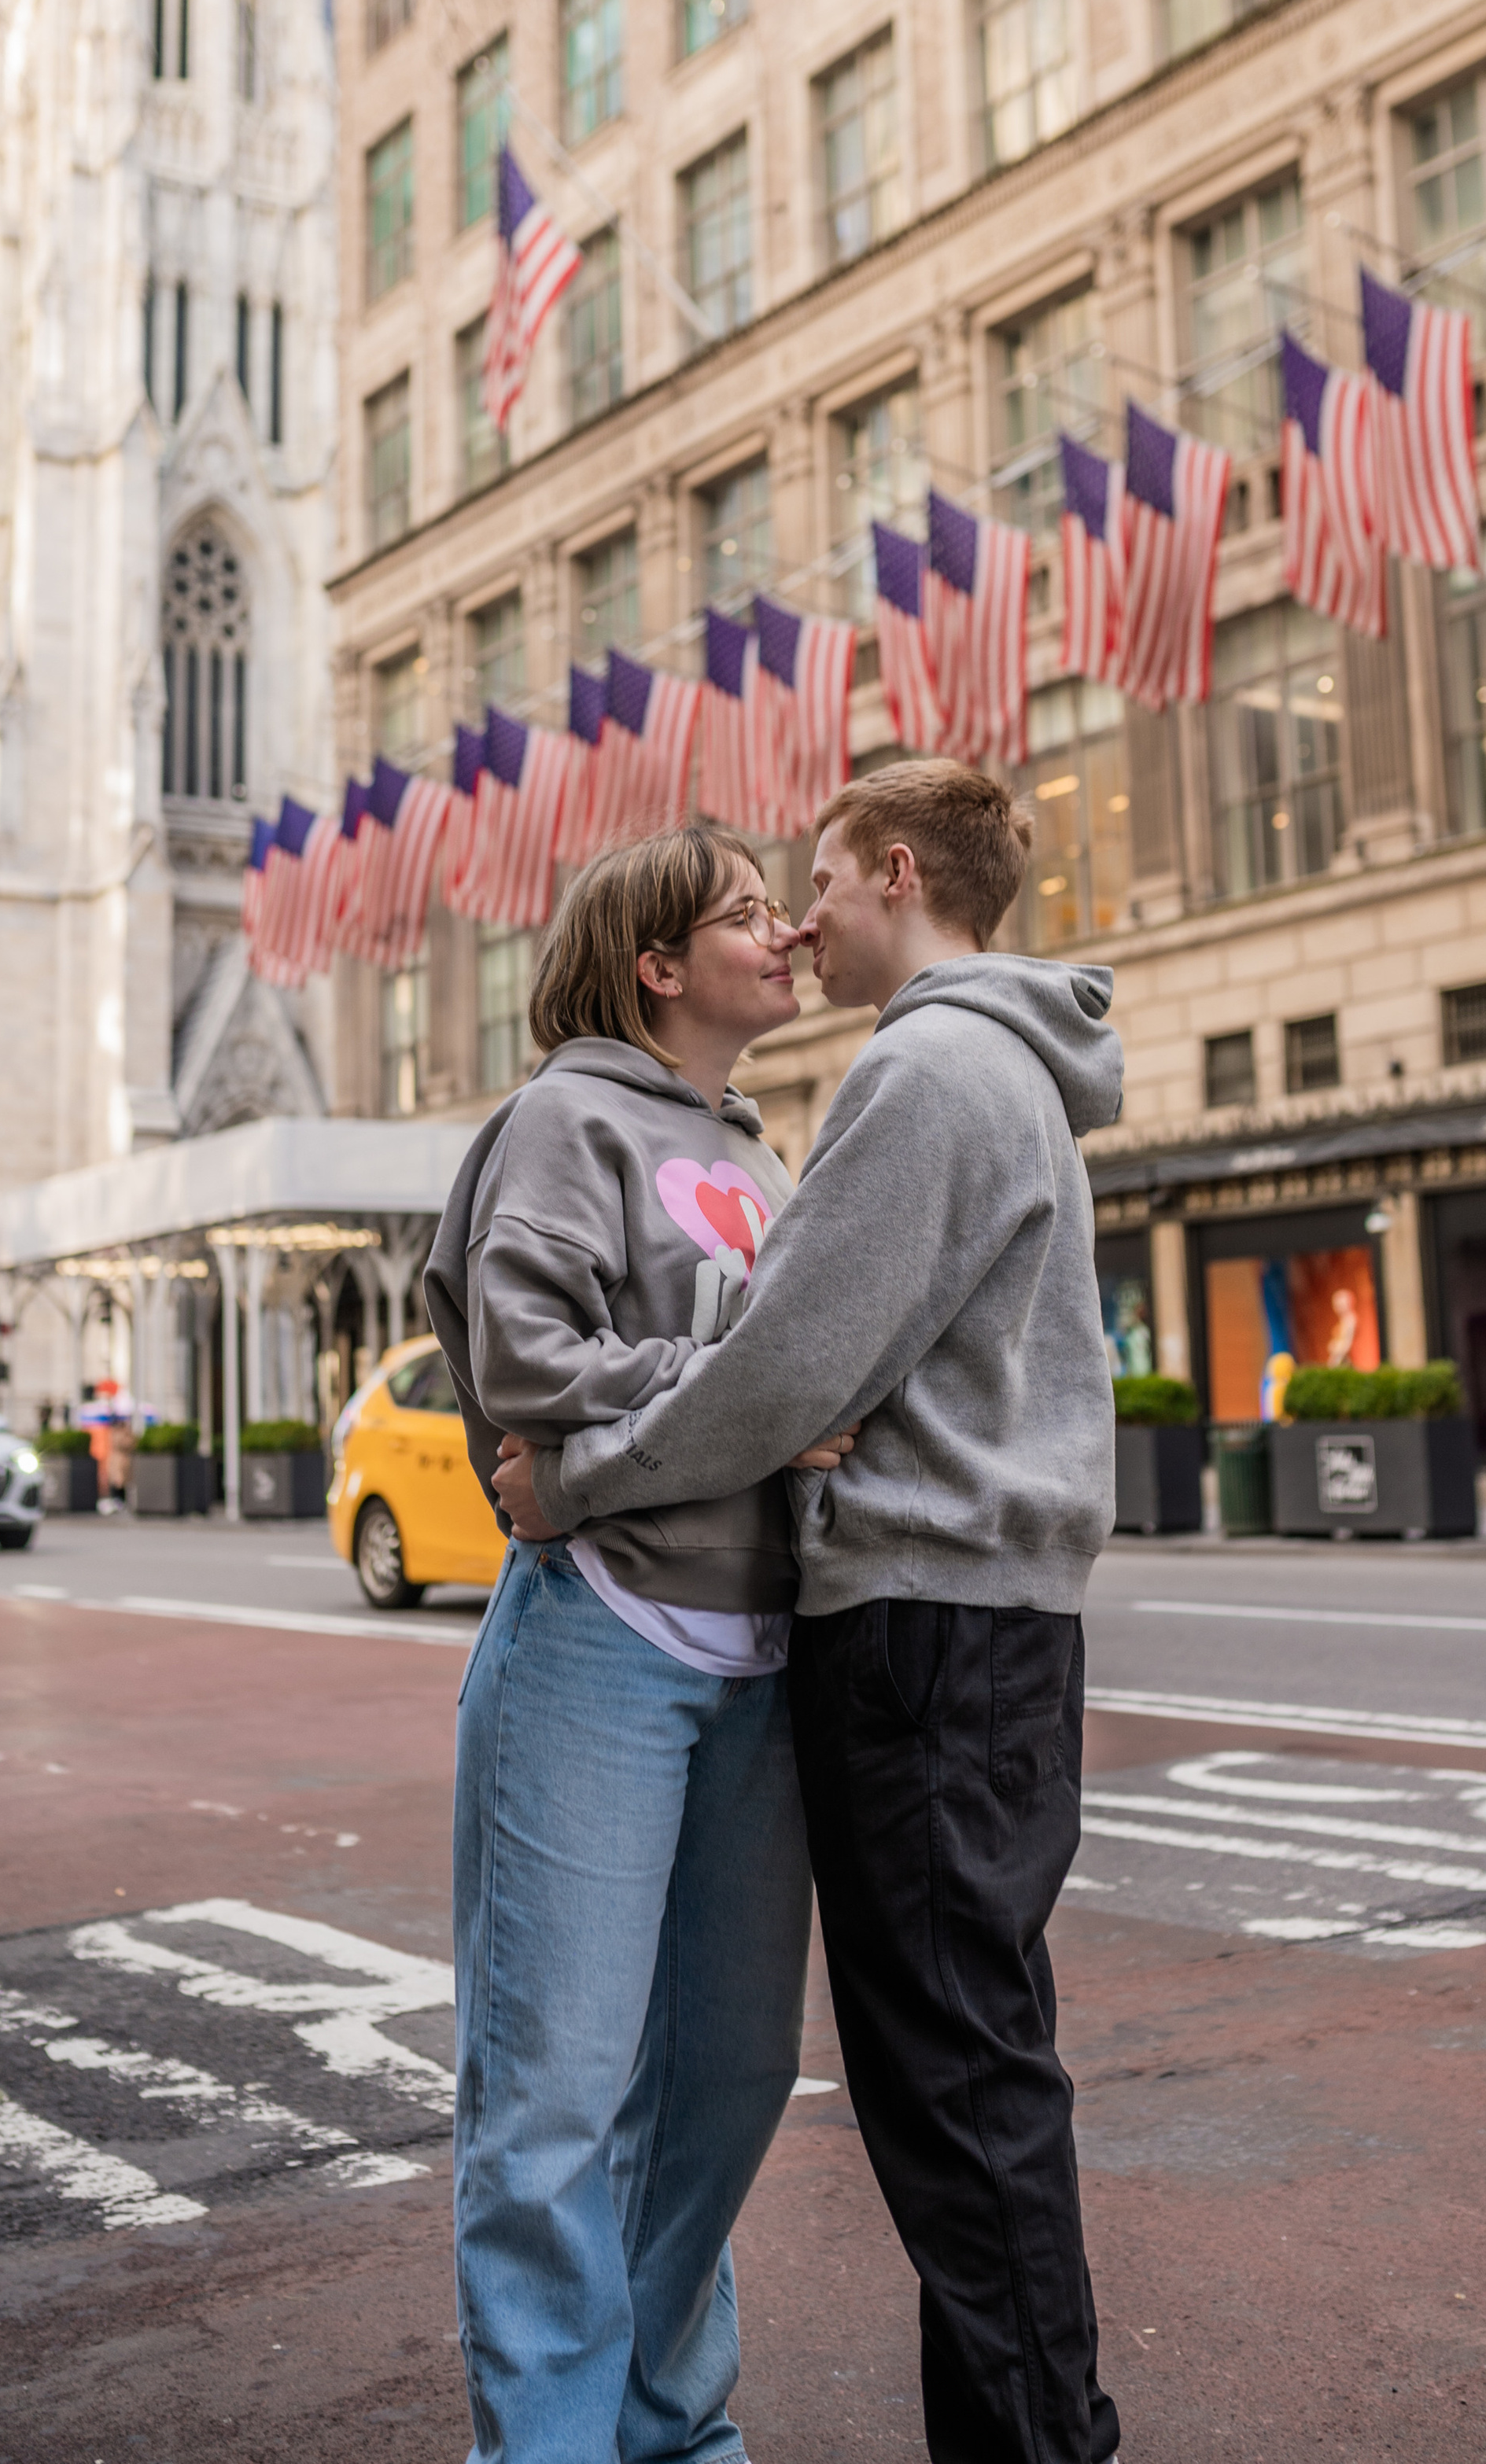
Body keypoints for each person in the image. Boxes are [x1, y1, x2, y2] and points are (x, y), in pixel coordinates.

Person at [498, 761, 1125, 2464]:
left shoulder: (918, 1068)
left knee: (954, 2093)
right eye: (756, 904)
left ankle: (1035, 2446)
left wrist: (574, 1479)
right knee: (968, 2075)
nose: (798, 918)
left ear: (894, 871)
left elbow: (778, 1363)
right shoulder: (1003, 1072)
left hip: (922, 1628)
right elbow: (771, 1358)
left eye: (818, 883)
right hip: (980, 1625)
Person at [422, 827, 853, 2464]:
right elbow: (526, 1355)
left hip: (763, 1655)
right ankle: (544, 2445)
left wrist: (749, 1401)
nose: (788, 932)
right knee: (551, 2102)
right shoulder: (560, 1117)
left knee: (733, 2074)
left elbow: (813, 1377)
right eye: (747, 914)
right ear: (657, 963)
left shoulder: (764, 1152)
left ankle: (670, 2424)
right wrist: (746, 1398)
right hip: (598, 1637)